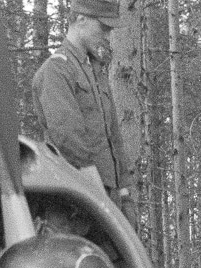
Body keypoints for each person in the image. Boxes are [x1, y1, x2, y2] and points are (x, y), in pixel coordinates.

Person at [31, 0, 131, 204]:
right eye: (103, 27)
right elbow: (69, 140)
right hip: (77, 194)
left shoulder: (94, 70)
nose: (107, 34)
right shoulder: (57, 70)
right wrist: (98, 200)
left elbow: (114, 138)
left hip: (108, 193)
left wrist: (124, 193)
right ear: (80, 19)